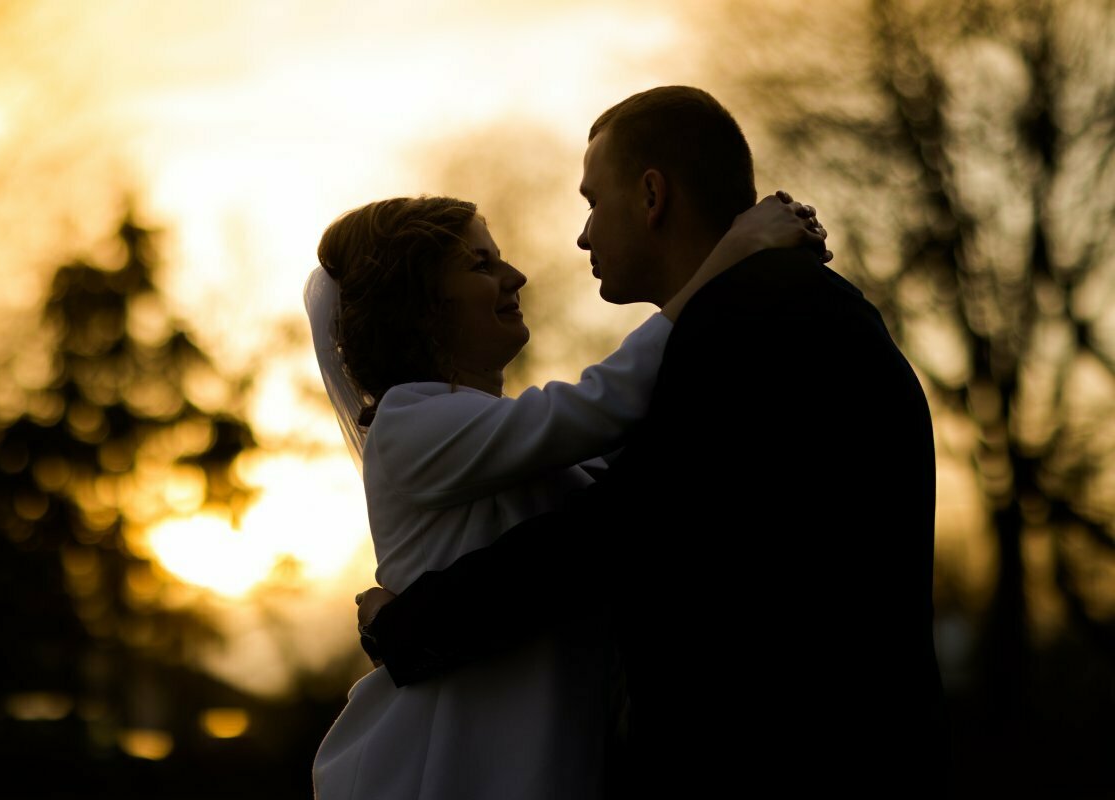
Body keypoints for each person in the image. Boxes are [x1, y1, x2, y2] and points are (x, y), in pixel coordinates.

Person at [355, 85, 949, 797]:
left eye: (591, 200)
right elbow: (631, 503)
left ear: (651, 195)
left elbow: (617, 534)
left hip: (795, 758)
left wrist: (412, 622)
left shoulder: (755, 327)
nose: (580, 236)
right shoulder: (783, 310)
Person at [304, 187, 826, 799]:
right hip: (450, 764)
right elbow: (605, 405)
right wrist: (733, 256)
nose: (515, 274)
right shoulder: (409, 424)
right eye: (481, 264)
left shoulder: (495, 436)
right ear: (418, 306)